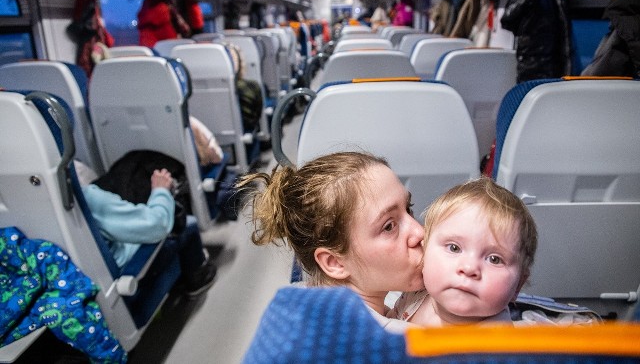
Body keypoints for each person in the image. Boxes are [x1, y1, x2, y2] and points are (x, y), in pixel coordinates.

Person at [237, 151, 425, 333]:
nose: (420, 232)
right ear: (334, 262)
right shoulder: (392, 346)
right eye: (389, 226)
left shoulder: (301, 300)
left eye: (408, 209)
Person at [389, 177, 538, 326]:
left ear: (518, 285)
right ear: (425, 250)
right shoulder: (415, 295)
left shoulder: (496, 343)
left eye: (494, 259)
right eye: (454, 248)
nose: (469, 268)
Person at [77, 161, 217, 297]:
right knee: (187, 224)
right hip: (130, 274)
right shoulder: (85, 198)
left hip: (92, 286)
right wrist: (161, 191)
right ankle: (197, 278)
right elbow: (157, 225)